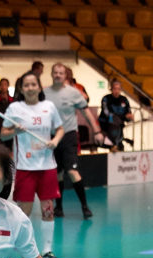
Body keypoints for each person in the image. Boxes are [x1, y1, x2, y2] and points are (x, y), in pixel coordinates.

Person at [2, 71, 64, 258]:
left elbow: (60, 129)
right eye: (26, 85)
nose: (30, 88)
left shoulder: (48, 107)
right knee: (24, 211)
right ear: (21, 89)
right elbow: (3, 134)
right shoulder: (14, 108)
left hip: (47, 166)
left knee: (48, 209)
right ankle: (21, 247)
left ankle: (47, 250)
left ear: (39, 87)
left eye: (33, 84)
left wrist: (55, 140)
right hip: (25, 167)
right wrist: (14, 131)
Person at [44, 63, 102, 219]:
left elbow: (86, 112)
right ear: (52, 74)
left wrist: (96, 131)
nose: (58, 75)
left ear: (65, 75)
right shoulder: (44, 93)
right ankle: (59, 207)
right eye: (55, 72)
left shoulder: (73, 93)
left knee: (72, 171)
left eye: (61, 73)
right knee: (58, 174)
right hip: (51, 137)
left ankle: (84, 206)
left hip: (69, 136)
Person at [98, 80, 131, 151]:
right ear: (111, 89)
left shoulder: (124, 99)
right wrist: (122, 117)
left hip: (119, 127)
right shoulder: (106, 98)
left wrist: (128, 117)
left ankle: (117, 144)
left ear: (121, 90)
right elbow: (107, 113)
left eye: (118, 89)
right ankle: (113, 145)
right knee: (113, 122)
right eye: (115, 89)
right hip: (106, 125)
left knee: (119, 143)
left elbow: (128, 113)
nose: (116, 91)